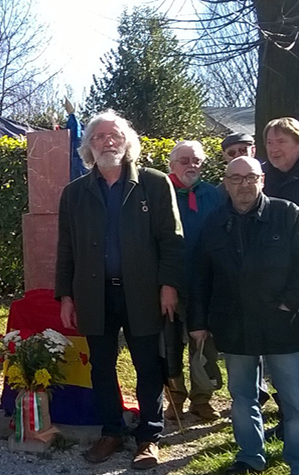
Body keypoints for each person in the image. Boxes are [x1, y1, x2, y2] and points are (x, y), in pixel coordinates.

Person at [55, 111, 185, 469]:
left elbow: (172, 241)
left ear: (127, 142)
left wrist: (169, 286)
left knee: (148, 365)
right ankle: (111, 432)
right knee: (101, 367)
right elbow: (66, 247)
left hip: (143, 292)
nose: (107, 142)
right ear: (88, 147)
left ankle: (148, 436)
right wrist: (65, 294)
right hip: (94, 295)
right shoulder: (74, 193)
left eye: (114, 136)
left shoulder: (155, 184)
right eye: (98, 137)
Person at [189, 157, 299, 475]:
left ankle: (296, 460)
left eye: (251, 177)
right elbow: (200, 277)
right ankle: (250, 457)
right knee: (242, 396)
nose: (244, 185)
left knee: (293, 400)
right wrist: (197, 322)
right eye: (236, 179)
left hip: (283, 325)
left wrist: (290, 303)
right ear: (225, 183)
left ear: (262, 179)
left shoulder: (287, 214)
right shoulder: (214, 222)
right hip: (234, 324)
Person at [165, 141, 222, 422]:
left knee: (204, 344)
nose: (192, 166)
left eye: (197, 161)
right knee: (169, 343)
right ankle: (174, 398)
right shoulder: (160, 192)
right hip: (170, 283)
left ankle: (202, 398)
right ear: (172, 164)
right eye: (185, 160)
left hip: (206, 284)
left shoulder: (213, 194)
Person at [261, 116, 299, 442]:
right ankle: (289, 422)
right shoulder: (262, 179)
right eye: (270, 142)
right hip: (273, 287)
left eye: (281, 141)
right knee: (282, 362)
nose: (274, 149)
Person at [218, 133, 257, 199]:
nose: (237, 155)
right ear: (224, 156)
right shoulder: (217, 194)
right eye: (231, 152)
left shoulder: (270, 180)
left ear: (253, 151)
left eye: (243, 150)